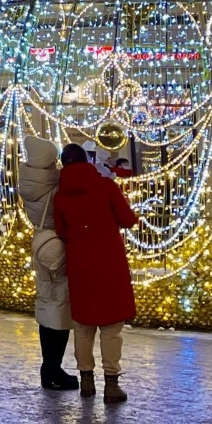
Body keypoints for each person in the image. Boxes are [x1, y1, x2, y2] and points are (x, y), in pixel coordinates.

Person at [53, 141, 138, 404]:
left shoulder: (60, 196)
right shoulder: (105, 186)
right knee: (112, 328)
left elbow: (62, 231)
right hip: (109, 263)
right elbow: (128, 219)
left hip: (80, 264)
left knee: (82, 326)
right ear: (88, 161)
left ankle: (86, 381)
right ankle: (111, 384)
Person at [18, 137, 79, 390]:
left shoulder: (30, 182)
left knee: (47, 303)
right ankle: (52, 369)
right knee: (59, 308)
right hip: (57, 247)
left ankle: (49, 367)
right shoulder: (53, 186)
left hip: (41, 244)